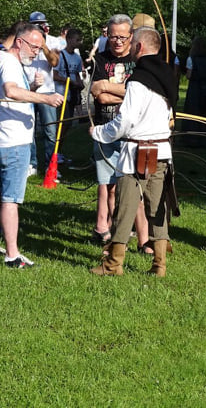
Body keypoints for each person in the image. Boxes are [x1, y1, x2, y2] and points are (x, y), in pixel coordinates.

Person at [89, 27, 178, 276]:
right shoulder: (168, 75)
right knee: (157, 208)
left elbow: (125, 121)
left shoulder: (138, 79)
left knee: (126, 207)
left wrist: (99, 133)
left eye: (132, 45)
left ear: (138, 48)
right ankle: (159, 265)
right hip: (160, 151)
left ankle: (113, 264)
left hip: (136, 153)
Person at [0, 22, 64, 268]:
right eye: (34, 47)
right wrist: (45, 98)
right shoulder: (7, 61)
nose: (36, 52)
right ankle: (12, 255)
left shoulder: (8, 61)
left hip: (3, 139)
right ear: (20, 42)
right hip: (13, 143)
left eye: (39, 48)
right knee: (11, 199)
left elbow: (16, 92)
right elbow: (10, 91)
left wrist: (34, 88)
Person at [89, 14, 151, 252]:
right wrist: (123, 91)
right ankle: (112, 233)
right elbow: (100, 97)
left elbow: (142, 94)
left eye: (122, 37)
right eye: (113, 36)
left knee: (138, 186)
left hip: (135, 133)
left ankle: (144, 239)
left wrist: (107, 86)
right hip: (106, 130)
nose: (117, 41)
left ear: (131, 36)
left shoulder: (139, 61)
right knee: (109, 185)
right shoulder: (100, 61)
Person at [22, 11, 62, 177]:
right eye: (36, 25)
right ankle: (32, 163)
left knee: (50, 131)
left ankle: (50, 166)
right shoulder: (24, 39)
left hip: (47, 92)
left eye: (42, 24)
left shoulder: (53, 41)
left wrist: (43, 44)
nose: (40, 27)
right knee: (28, 130)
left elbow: (54, 62)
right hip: (28, 90)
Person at [53, 27, 85, 147]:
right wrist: (69, 81)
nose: (79, 42)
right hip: (61, 94)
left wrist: (79, 83)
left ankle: (58, 149)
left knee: (68, 123)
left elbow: (76, 74)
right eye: (77, 40)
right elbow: (54, 75)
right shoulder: (60, 55)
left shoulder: (77, 57)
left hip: (71, 94)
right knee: (63, 122)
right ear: (69, 39)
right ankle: (55, 149)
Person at [181, 37, 206, 148]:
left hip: (194, 88)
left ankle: (191, 139)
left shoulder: (191, 59)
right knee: (204, 113)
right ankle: (204, 140)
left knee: (192, 112)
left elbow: (189, 75)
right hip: (205, 88)